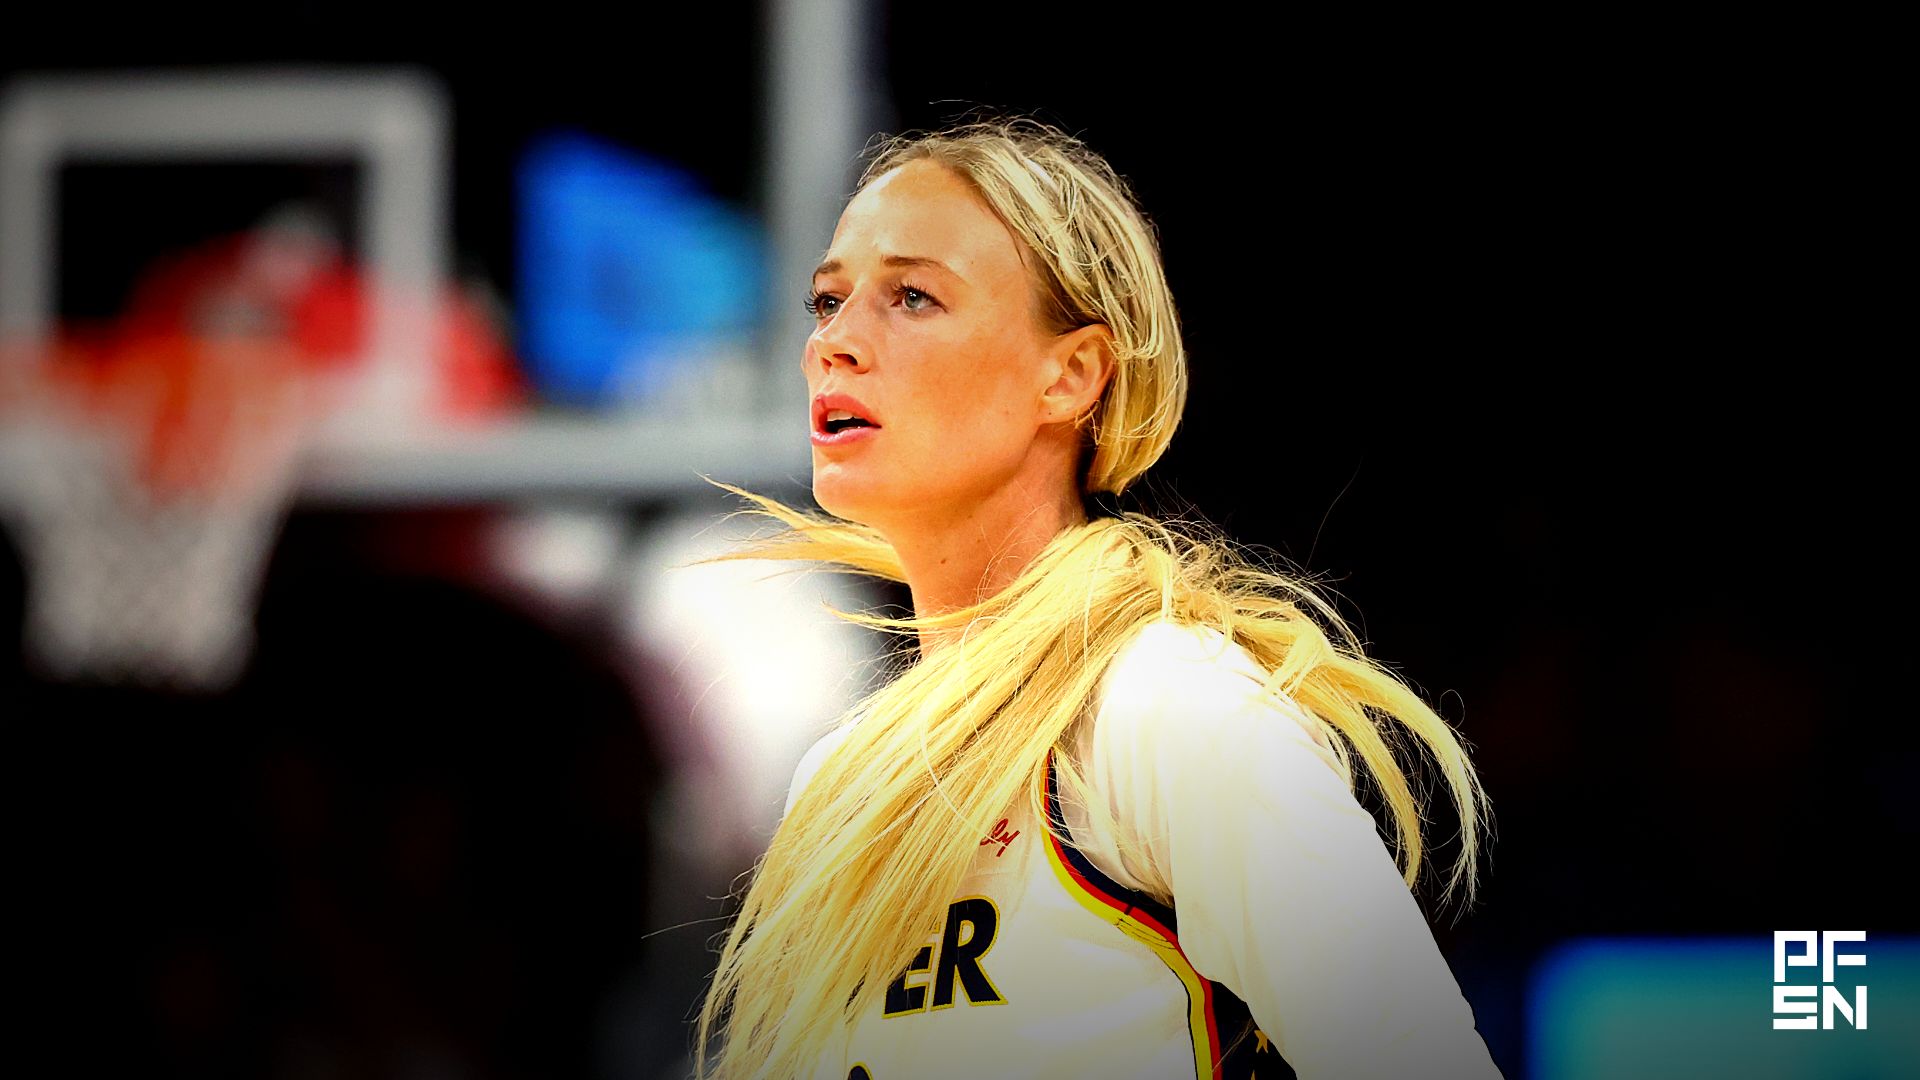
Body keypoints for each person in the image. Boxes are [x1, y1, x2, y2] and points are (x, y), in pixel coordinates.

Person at [689, 118, 1503, 1080]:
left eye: (912, 297)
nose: (837, 343)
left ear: (1069, 376)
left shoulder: (1161, 704)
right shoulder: (833, 778)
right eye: (828, 300)